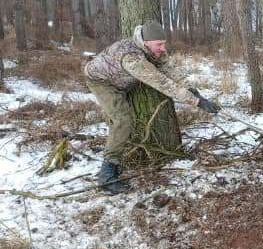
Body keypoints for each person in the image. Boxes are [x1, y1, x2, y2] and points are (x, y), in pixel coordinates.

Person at [84, 20, 220, 194]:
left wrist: (192, 91)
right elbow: (161, 82)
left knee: (121, 120)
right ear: (146, 42)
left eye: (164, 44)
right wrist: (196, 102)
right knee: (123, 120)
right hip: (101, 82)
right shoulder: (132, 58)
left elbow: (169, 69)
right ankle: (106, 175)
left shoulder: (153, 50)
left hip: (120, 78)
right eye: (159, 44)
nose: (163, 48)